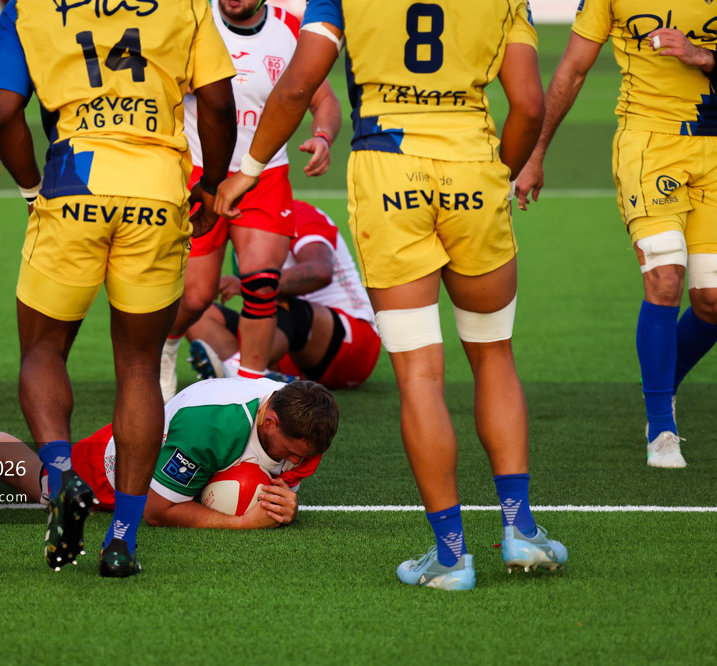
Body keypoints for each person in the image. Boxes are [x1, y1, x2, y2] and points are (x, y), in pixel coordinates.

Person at [215, 0, 568, 590]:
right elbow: (529, 105)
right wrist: (497, 177)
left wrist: (249, 167)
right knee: (493, 356)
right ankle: (521, 530)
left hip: (388, 174)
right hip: (472, 169)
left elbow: (299, 83)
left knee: (420, 375)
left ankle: (451, 557)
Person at [0, 0, 238, 577]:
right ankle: (122, 539)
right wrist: (212, 185)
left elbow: (3, 113)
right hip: (156, 191)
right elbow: (219, 104)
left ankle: (60, 475)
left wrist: (30, 188)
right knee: (140, 366)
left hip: (73, 180)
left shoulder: (27, 6)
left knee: (43, 350)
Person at [515, 3, 717, 470]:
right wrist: (535, 153)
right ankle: (661, 427)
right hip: (649, 142)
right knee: (665, 276)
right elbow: (573, 69)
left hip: (712, 147)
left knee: (711, 302)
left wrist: (702, 56)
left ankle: (663, 382)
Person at [160, 0, 341, 401]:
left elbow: (324, 100)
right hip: (200, 172)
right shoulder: (195, 20)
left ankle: (249, 388)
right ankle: (165, 347)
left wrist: (323, 137)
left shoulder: (290, 30)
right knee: (197, 295)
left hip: (264, 175)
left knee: (261, 283)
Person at [0, 378, 337, 549]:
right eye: (291, 452)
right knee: (49, 486)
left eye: (304, 457)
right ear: (269, 420)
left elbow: (282, 488)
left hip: (202, 458)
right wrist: (241, 524)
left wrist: (287, 506)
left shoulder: (307, 433)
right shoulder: (211, 426)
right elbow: (157, 510)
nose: (295, 463)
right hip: (123, 460)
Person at [186, 200, 380, 389]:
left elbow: (321, 271)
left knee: (278, 302)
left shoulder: (298, 213)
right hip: (286, 349)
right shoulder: (240, 230)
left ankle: (239, 371)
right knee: (196, 310)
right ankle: (251, 377)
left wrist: (247, 284)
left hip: (352, 345)